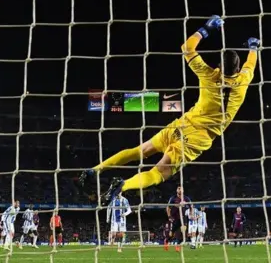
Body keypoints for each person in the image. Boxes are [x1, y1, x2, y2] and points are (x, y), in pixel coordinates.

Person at [80, 15, 259, 200]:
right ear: (238, 70)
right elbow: (251, 64)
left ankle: (95, 169)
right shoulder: (244, 80)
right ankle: (124, 185)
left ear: (219, 66)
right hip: (198, 138)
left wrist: (206, 28)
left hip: (183, 124)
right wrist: (253, 47)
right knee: (158, 173)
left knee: (139, 151)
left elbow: (187, 48)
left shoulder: (208, 74)